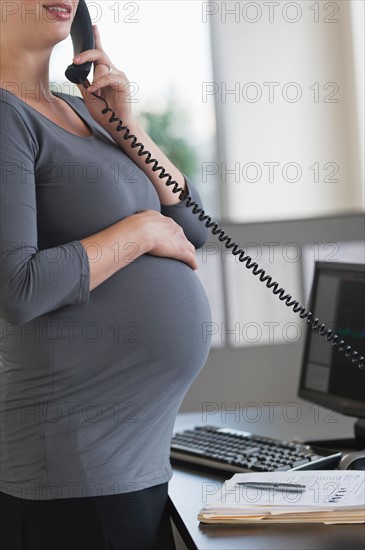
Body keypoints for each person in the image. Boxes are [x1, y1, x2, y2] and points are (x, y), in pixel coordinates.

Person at [0, 1, 212, 548]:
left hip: (132, 456)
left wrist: (124, 120)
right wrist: (139, 231)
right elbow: (17, 287)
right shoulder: (6, 117)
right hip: (75, 463)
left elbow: (192, 225)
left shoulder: (84, 110)